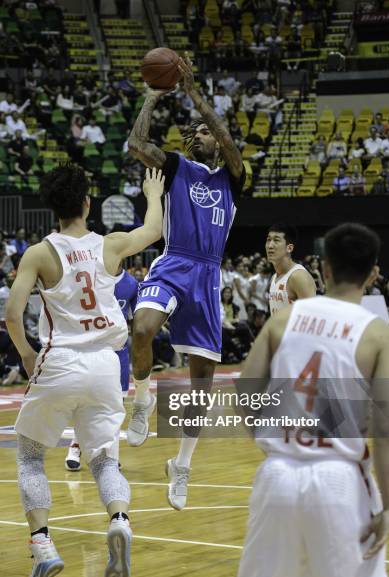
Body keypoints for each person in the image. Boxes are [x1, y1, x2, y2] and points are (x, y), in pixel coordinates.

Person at [5, 163, 163, 577]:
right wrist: (151, 193)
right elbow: (153, 229)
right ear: (88, 203)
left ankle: (43, 547)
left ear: (52, 207)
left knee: (31, 456)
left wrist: (24, 353)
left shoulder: (39, 253)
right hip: (105, 366)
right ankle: (120, 521)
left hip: (61, 361)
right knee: (104, 461)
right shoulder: (110, 245)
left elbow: (12, 315)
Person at [237, 223, 389, 577]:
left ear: (325, 268)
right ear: (374, 272)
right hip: (338, 478)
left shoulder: (283, 320)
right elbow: (384, 429)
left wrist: (274, 441)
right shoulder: (383, 337)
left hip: (277, 475)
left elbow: (245, 393)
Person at [127, 53, 244, 510]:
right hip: (175, 263)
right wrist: (152, 98)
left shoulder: (232, 178)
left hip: (208, 276)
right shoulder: (176, 167)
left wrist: (195, 93)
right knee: (141, 329)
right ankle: (141, 400)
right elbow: (138, 145)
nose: (199, 135)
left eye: (204, 132)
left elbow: (230, 143)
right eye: (194, 132)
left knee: (201, 386)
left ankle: (182, 466)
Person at [65, 265, 139, 471]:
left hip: (119, 352)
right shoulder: (90, 279)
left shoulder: (131, 284)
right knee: (86, 401)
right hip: (93, 349)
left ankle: (108, 454)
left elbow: (135, 323)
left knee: (116, 405)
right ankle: (76, 445)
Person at [266, 224, 316, 316]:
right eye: (268, 240)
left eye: (276, 240)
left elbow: (312, 317)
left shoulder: (298, 276)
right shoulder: (274, 277)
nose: (270, 245)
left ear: (289, 248)